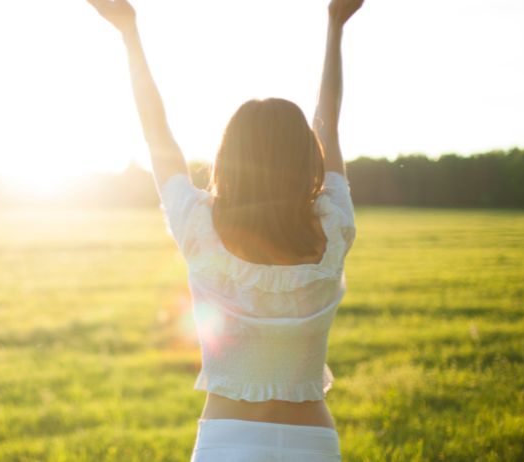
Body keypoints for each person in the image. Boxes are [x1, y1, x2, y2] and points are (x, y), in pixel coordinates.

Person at [88, 0, 363, 460]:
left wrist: (128, 32)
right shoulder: (334, 228)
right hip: (313, 443)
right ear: (306, 158)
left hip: (227, 443)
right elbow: (328, 124)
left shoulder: (198, 227)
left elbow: (158, 135)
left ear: (228, 156)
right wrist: (335, 26)